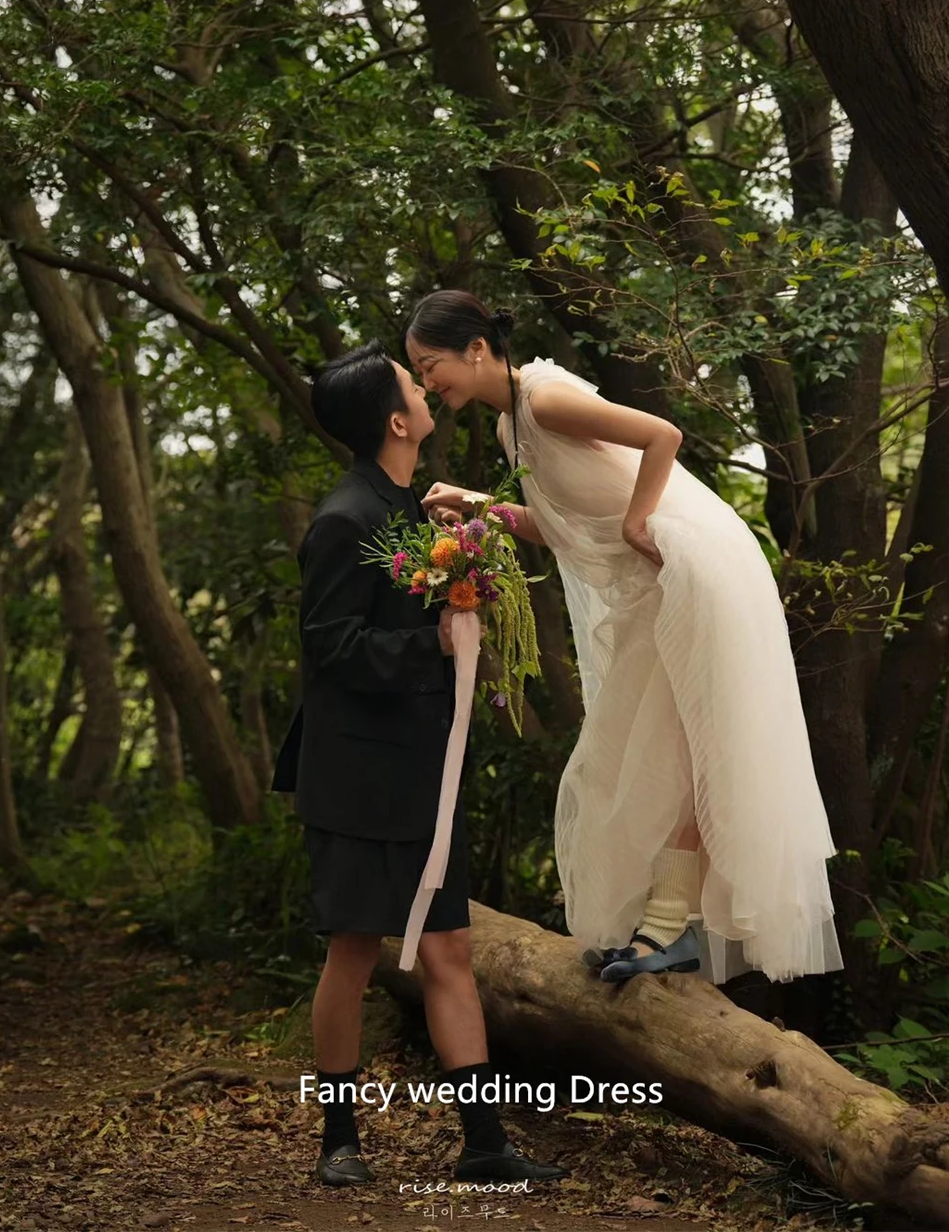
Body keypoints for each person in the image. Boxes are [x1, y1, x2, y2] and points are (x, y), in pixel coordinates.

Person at [404, 291, 843, 987]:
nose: (429, 382)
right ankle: (666, 925)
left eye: (430, 365)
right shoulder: (510, 430)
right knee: (646, 750)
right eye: (419, 373)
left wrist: (641, 523)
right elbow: (563, 528)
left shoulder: (543, 399)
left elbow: (661, 434)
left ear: (477, 349)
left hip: (690, 566)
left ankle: (666, 928)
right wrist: (478, 505)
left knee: (687, 748)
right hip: (657, 583)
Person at [271, 340, 567, 1187]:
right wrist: (432, 640)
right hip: (357, 775)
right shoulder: (342, 519)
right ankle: (338, 1139)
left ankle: (484, 1144)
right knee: (355, 952)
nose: (425, 384)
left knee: (448, 951)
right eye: (413, 382)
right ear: (398, 420)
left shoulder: (414, 511)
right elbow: (331, 647)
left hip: (422, 772)